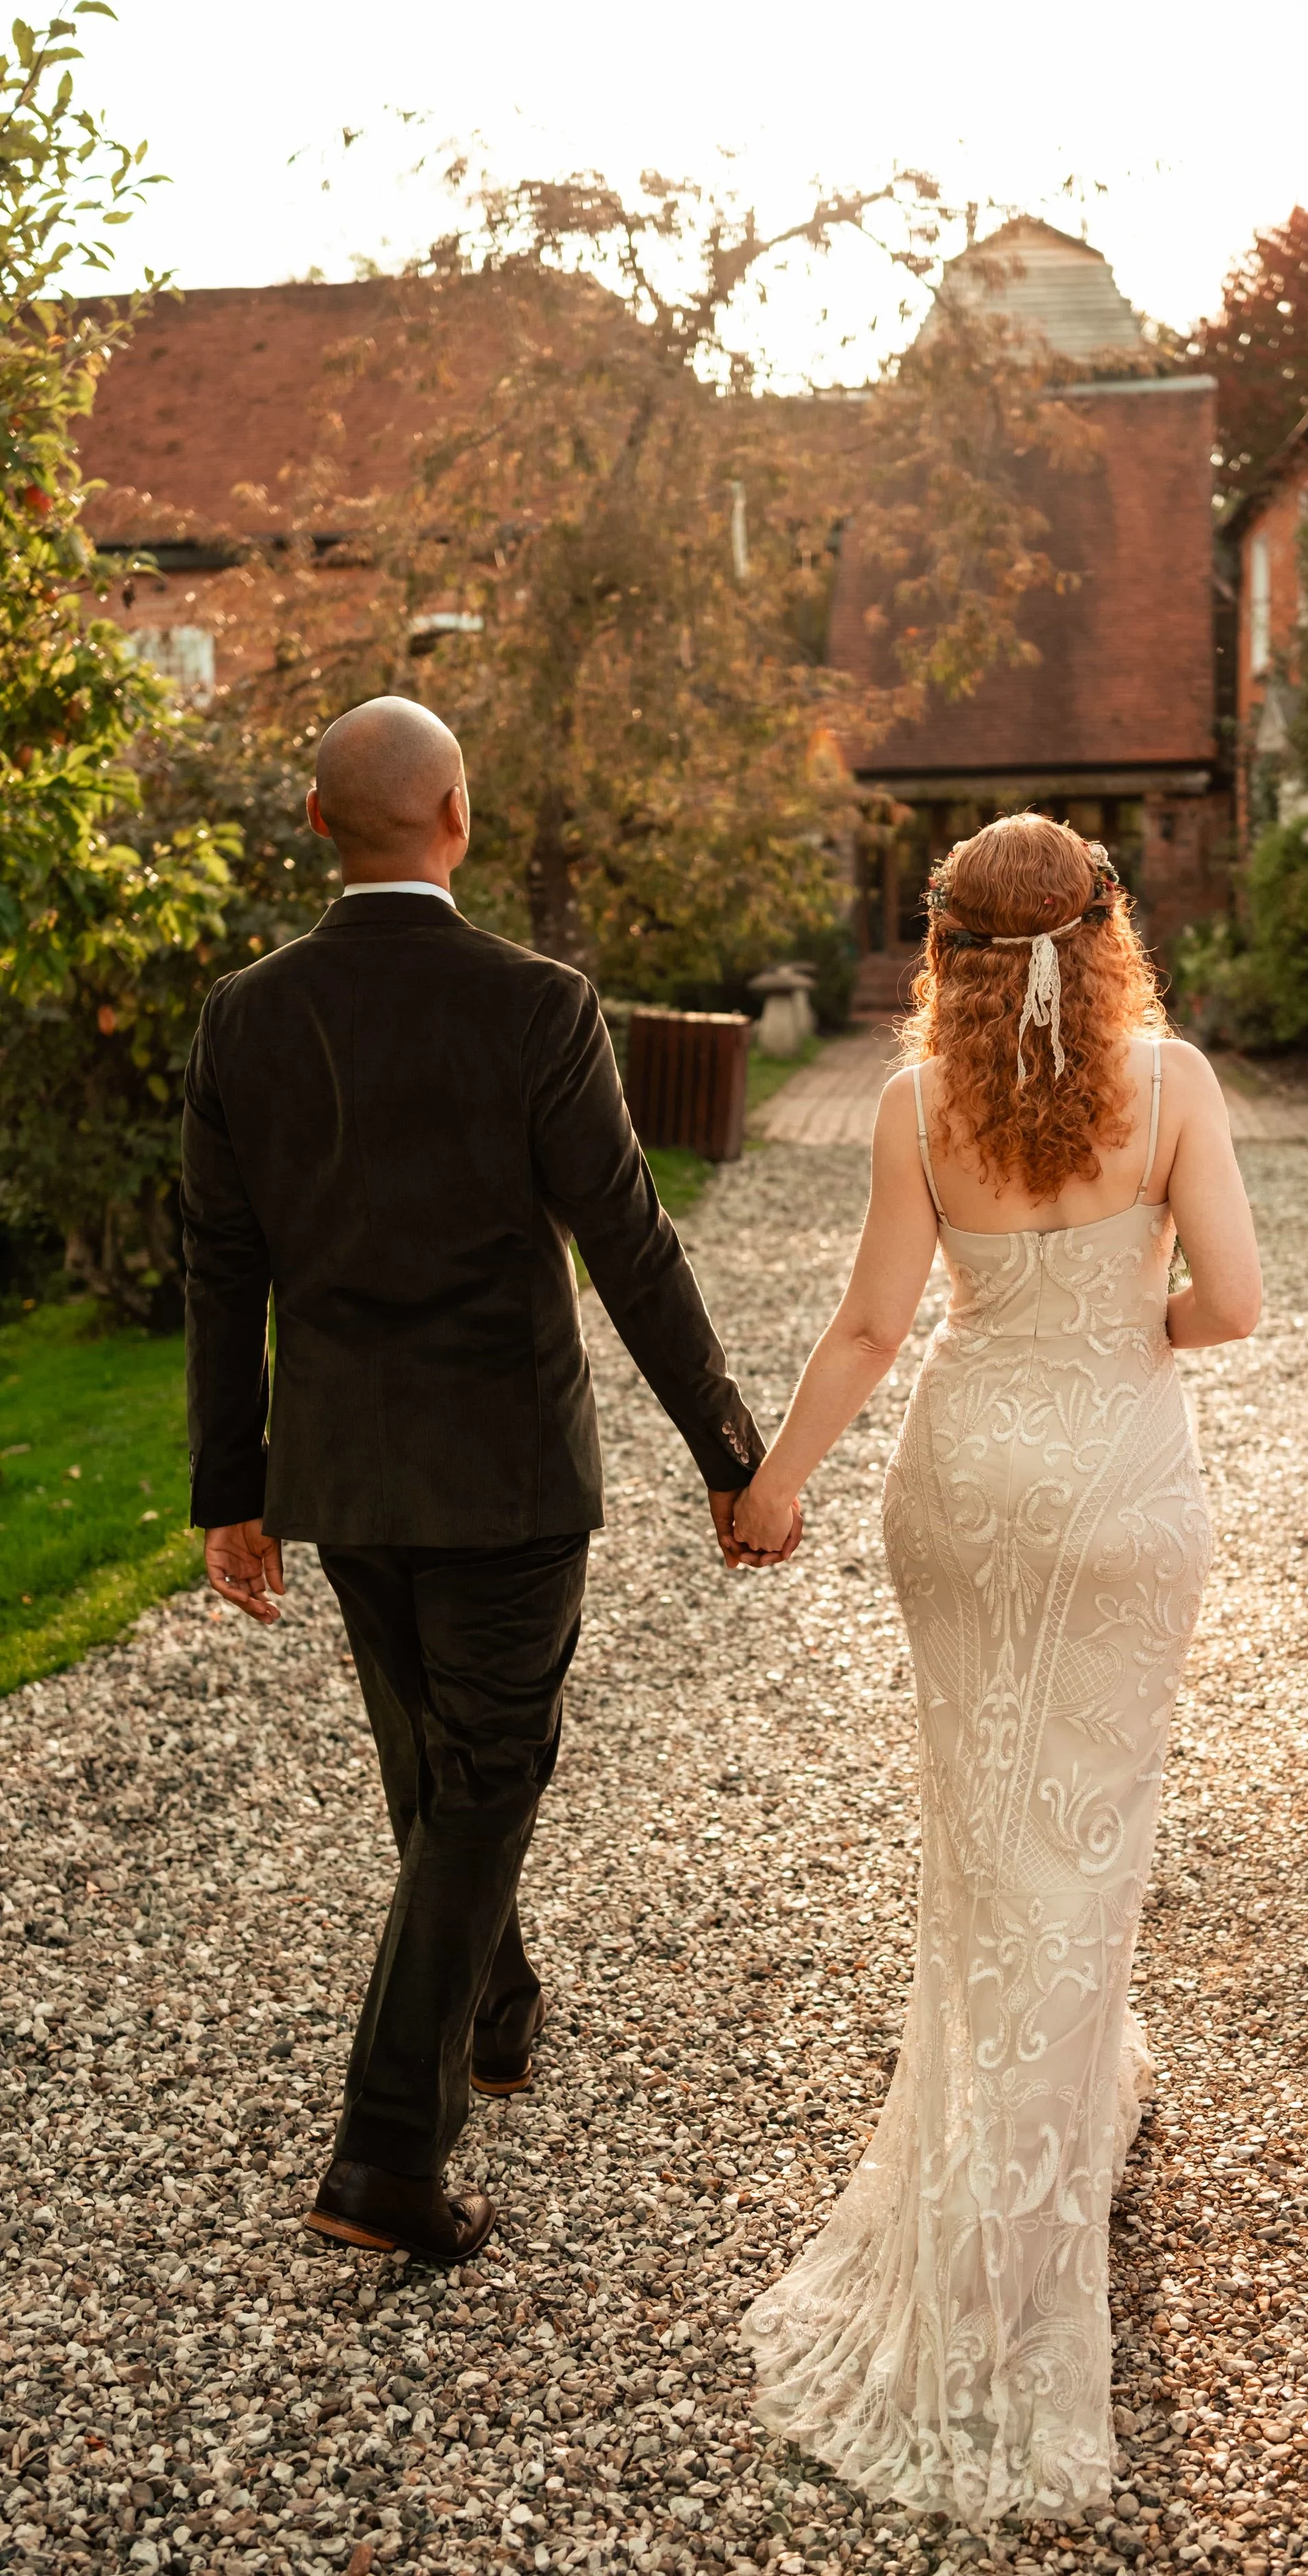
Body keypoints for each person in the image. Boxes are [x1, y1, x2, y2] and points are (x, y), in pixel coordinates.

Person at [181, 695, 793, 2268]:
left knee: (433, 1773)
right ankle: (386, 2154)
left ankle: (494, 2010)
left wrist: (226, 1489)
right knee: (482, 1780)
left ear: (319, 826)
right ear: (457, 815)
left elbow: (219, 1269)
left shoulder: (244, 1015)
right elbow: (630, 1243)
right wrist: (733, 1456)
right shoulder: (536, 1005)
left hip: (344, 1476)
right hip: (509, 1478)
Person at [733, 815, 1261, 2529]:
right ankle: (1043, 2175)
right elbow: (1234, 1306)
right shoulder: (1170, 1082)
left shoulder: (910, 1107)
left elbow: (876, 1327)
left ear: (942, 952)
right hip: (1118, 1487)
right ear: (1105, 937)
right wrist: (1128, 1339)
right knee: (1087, 1841)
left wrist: (776, 1480)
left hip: (959, 1489)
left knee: (982, 1850)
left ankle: (1031, 2145)